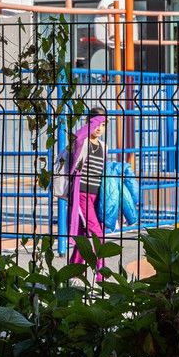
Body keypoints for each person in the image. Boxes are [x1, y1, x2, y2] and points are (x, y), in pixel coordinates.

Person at [67, 107, 108, 281]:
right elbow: (77, 136)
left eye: (103, 124)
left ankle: (73, 271)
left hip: (95, 195)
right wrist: (93, 123)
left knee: (84, 235)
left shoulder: (104, 147)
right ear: (89, 124)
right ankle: (100, 272)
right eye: (96, 124)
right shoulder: (82, 143)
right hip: (82, 194)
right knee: (97, 233)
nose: (99, 128)